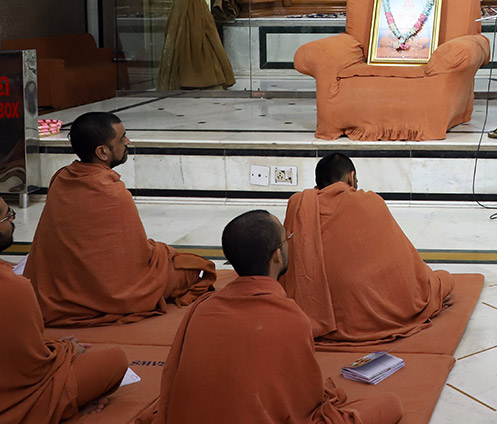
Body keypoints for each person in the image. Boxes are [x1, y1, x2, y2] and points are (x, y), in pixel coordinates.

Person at [142, 211, 402, 424]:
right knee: (390, 404)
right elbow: (305, 404)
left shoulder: (201, 308)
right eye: (286, 238)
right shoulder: (291, 319)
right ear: (277, 254)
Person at [25, 111, 215, 326]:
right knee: (193, 270)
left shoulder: (61, 177)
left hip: (57, 289)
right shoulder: (111, 192)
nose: (127, 141)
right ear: (102, 152)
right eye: (122, 138)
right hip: (108, 291)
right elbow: (137, 259)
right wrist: (163, 252)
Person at [282, 153, 455, 344]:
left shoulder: (298, 205)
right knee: (441, 281)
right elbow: (401, 263)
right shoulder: (370, 201)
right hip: (358, 314)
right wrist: (431, 294)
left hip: (311, 313)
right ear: (351, 177)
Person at [0, 197, 130, 422]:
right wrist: (65, 351)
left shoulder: (60, 188)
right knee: (114, 360)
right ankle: (61, 405)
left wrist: (54, 348)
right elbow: (30, 371)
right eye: (6, 216)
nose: (12, 219)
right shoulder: (14, 287)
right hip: (13, 400)